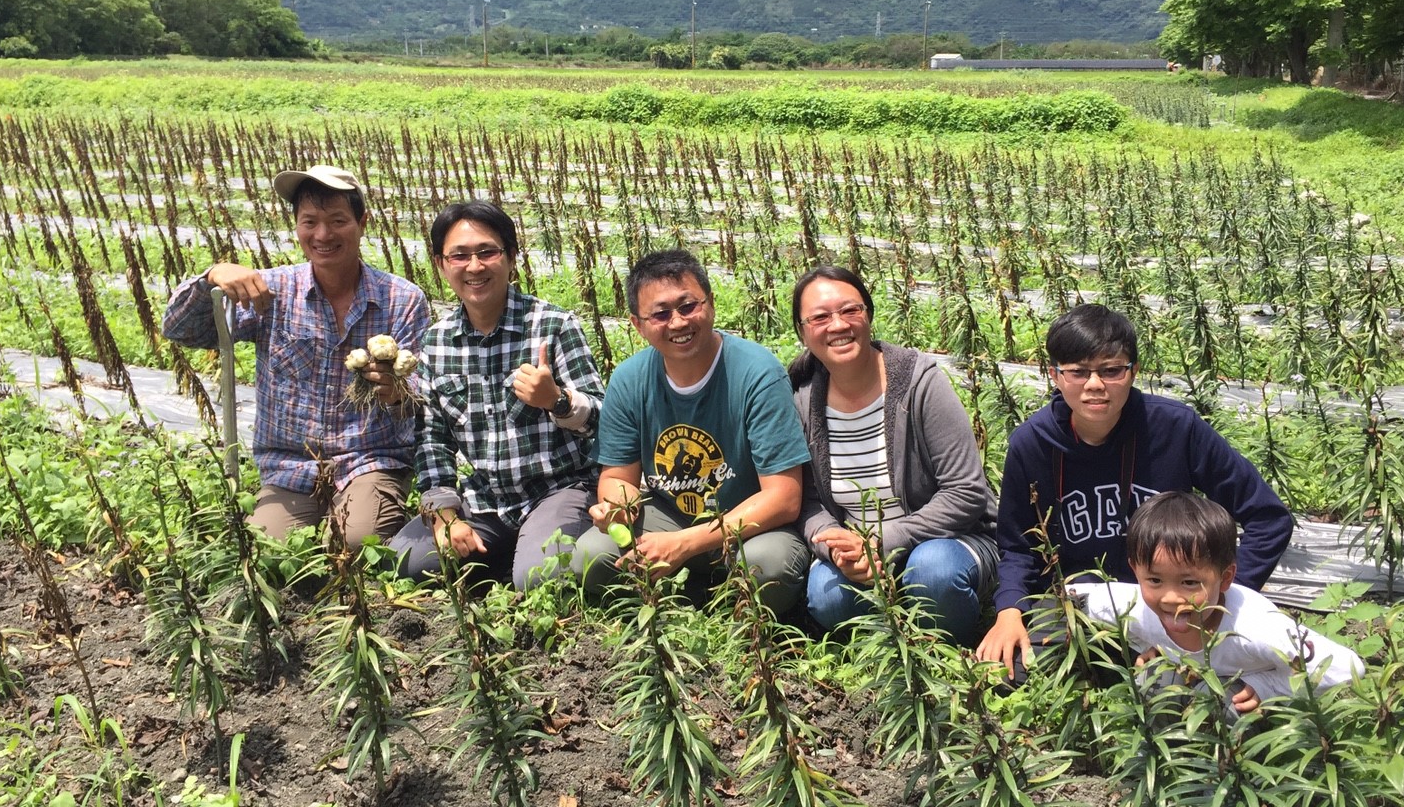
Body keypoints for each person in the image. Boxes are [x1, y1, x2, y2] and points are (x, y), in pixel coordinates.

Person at [975, 303, 1294, 677]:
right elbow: (1017, 546)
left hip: (1173, 603)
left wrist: (1215, 601)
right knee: (1016, 670)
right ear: (1055, 376)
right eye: (1078, 372)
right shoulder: (1032, 443)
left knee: (1224, 682)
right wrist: (1010, 610)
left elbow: (1268, 518)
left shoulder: (1176, 428)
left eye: (1112, 371)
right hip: (1079, 601)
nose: (1095, 385)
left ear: (1133, 372)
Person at [162, 164, 429, 547]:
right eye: (310, 222)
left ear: (362, 222)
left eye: (338, 220)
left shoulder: (401, 299)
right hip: (291, 466)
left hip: (368, 461)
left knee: (356, 543)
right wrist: (212, 278)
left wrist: (397, 392)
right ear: (297, 226)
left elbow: (420, 394)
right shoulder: (270, 293)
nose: (323, 234)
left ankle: (360, 512)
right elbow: (181, 331)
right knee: (270, 549)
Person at [573, 249, 810, 616]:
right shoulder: (629, 379)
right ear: (638, 325)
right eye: (661, 314)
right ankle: (685, 606)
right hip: (669, 515)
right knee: (592, 556)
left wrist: (685, 543)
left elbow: (783, 497)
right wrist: (620, 505)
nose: (678, 323)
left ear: (711, 304)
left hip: (746, 524)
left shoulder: (757, 373)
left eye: (688, 307)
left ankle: (729, 619)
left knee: (769, 567)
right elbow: (617, 476)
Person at [387, 202, 604, 589]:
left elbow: (604, 421)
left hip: (559, 488)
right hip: (488, 497)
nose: (474, 266)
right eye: (460, 255)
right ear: (440, 264)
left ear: (511, 258)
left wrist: (558, 401)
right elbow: (432, 439)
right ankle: (509, 547)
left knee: (541, 579)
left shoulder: (553, 326)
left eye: (488, 252)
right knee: (406, 561)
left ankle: (524, 550)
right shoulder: (437, 342)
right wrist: (445, 514)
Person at [788, 266, 997, 645]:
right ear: (803, 332)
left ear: (868, 314)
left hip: (947, 540)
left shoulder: (920, 382)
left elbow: (966, 492)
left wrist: (882, 539)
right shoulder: (803, 401)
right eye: (820, 317)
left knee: (934, 574)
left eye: (850, 310)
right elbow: (808, 501)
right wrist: (835, 543)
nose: (837, 325)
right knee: (826, 596)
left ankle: (949, 651)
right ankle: (891, 643)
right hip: (860, 548)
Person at [1069, 492, 1362, 712]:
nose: (1171, 598)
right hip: (1188, 674)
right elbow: (1077, 597)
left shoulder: (1256, 629)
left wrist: (1268, 686)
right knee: (1151, 675)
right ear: (1136, 571)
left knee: (1231, 708)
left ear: (1225, 578)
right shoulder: (1136, 605)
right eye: (1155, 580)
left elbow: (1346, 667)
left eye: (1189, 583)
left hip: (1244, 683)